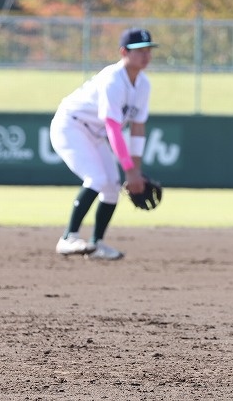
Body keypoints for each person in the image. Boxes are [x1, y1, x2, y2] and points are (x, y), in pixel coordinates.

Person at [50, 27, 158, 261]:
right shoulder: (113, 79)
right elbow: (113, 128)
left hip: (94, 134)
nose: (146, 55)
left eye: (148, 50)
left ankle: (96, 244)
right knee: (97, 178)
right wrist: (130, 170)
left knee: (111, 186)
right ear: (123, 52)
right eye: (140, 50)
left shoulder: (143, 85)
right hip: (70, 126)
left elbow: (138, 128)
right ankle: (68, 238)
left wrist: (136, 170)